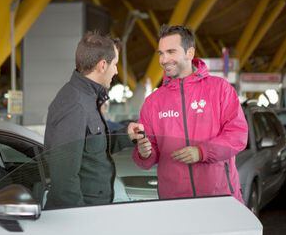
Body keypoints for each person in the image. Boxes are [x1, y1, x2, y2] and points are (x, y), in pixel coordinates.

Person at [128, 24, 248, 203]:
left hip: (219, 197)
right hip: (174, 203)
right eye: (161, 53)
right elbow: (149, 154)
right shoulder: (153, 101)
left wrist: (201, 152)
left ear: (189, 53)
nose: (163, 59)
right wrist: (144, 151)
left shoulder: (220, 89)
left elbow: (237, 135)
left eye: (171, 51)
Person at [44, 31, 119, 209]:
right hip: (83, 215)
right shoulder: (75, 104)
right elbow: (64, 179)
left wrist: (127, 136)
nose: (116, 71)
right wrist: (81, 222)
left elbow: (92, 147)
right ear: (102, 65)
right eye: (115, 64)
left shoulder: (88, 98)